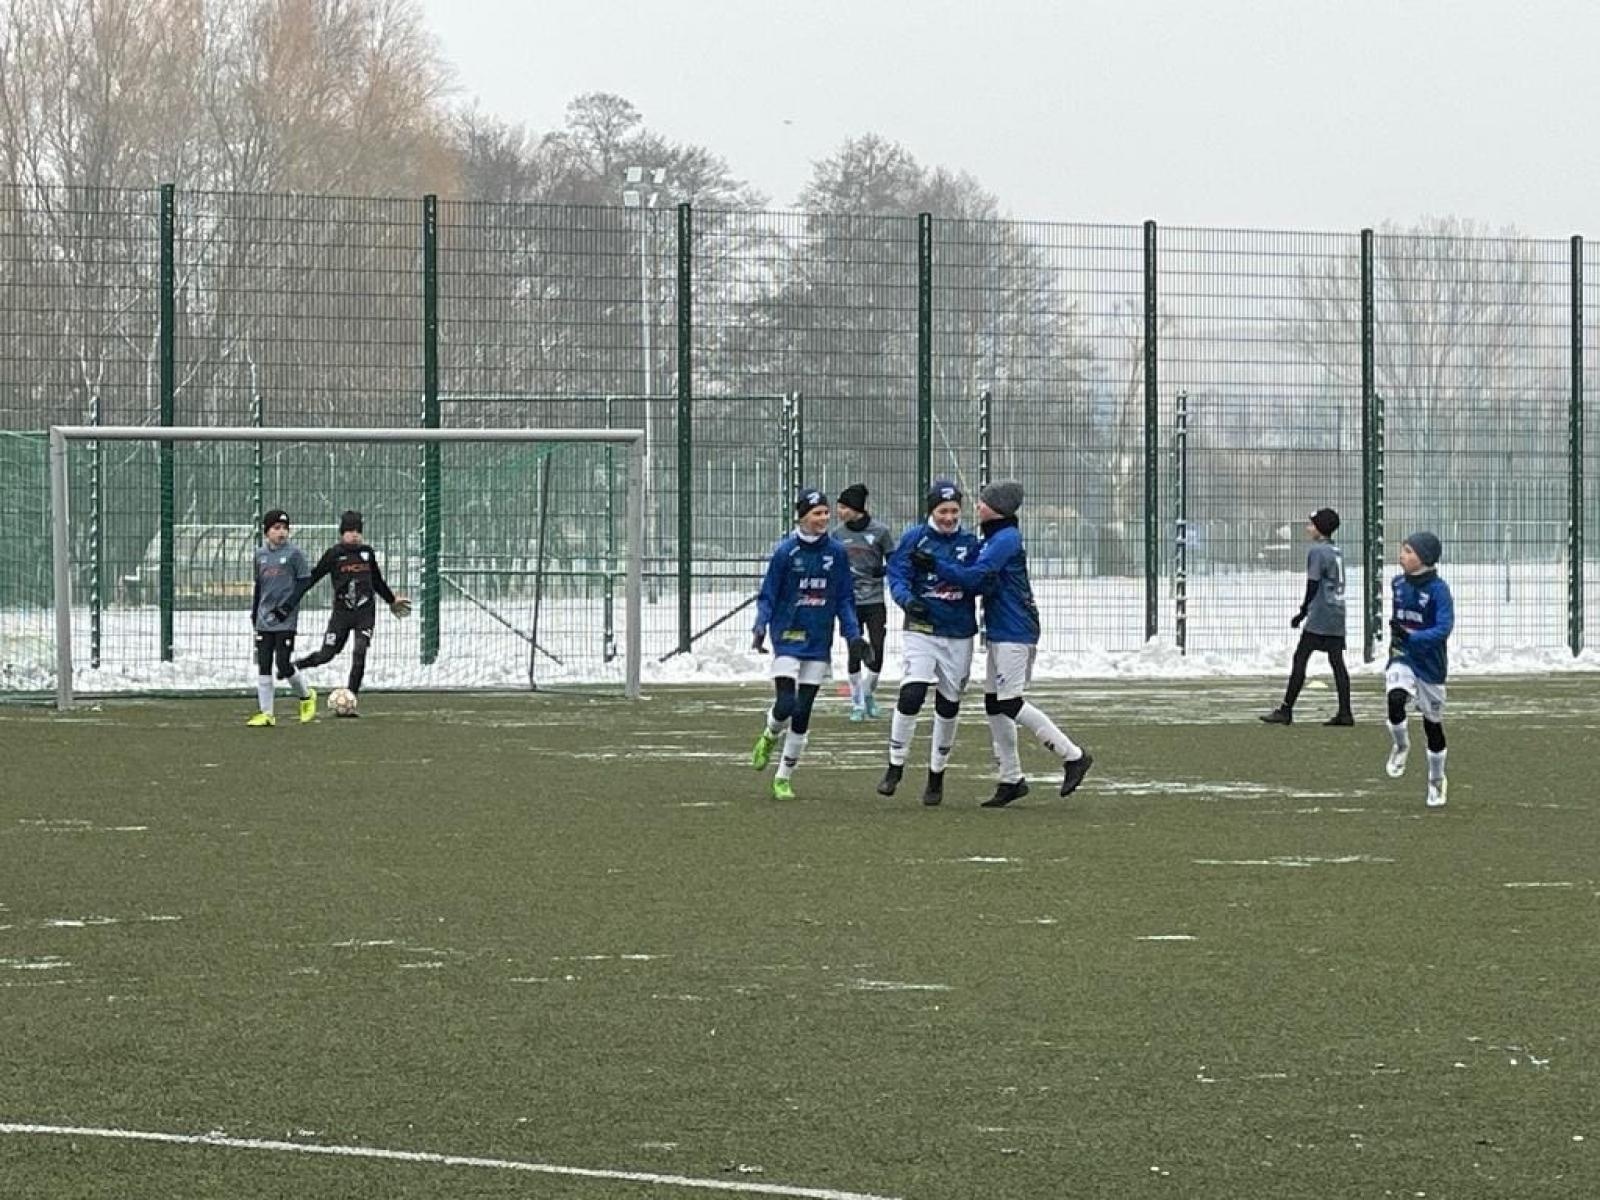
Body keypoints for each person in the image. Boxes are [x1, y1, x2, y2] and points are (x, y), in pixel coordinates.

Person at [915, 480, 1091, 807]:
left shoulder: (1005, 539)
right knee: (994, 704)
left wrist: (936, 566)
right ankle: (1011, 778)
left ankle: (1073, 756)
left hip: (1015, 630)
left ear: (997, 508)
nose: (976, 507)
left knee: (1010, 702)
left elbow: (977, 577)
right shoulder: (995, 537)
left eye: (982, 502)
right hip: (1000, 629)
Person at [750, 487, 868, 800]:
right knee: (787, 703)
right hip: (787, 636)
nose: (823, 518)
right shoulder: (785, 552)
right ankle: (770, 733)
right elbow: (769, 594)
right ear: (802, 517)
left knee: (803, 711)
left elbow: (844, 598)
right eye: (817, 513)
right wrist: (760, 626)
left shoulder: (837, 553)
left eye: (826, 512)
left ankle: (783, 777)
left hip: (818, 640)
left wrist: (853, 635)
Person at [877, 479, 981, 807]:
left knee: (948, 704)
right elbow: (897, 575)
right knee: (912, 692)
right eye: (942, 511)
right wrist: (908, 601)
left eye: (954, 510)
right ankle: (895, 765)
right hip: (921, 628)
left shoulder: (970, 543)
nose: (949, 517)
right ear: (931, 511)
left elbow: (977, 580)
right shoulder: (914, 538)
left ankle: (937, 774)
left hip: (958, 631)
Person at [293, 510, 411, 715]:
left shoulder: (367, 553)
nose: (354, 535)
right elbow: (314, 577)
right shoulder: (334, 554)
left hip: (365, 614)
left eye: (358, 531)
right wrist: (292, 596)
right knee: (326, 655)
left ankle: (351, 697)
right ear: (342, 533)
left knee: (360, 652)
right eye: (349, 531)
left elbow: (377, 581)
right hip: (341, 615)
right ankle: (294, 666)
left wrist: (391, 600)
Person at [1260, 507, 1353, 726]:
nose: (1308, 527)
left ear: (1320, 529)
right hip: (1337, 612)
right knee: (1337, 662)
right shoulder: (1336, 551)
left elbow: (1313, 583)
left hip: (1321, 614)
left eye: (1311, 524)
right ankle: (1345, 712)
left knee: (1300, 657)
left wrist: (1302, 611)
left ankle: (1286, 710)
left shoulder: (1317, 552)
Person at [1385, 532, 1454, 808]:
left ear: (1424, 559)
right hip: (1403, 657)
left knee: (1432, 725)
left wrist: (1413, 637)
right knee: (1395, 698)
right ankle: (1401, 746)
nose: (1402, 555)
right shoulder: (1397, 583)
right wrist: (1399, 639)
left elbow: (1443, 629)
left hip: (1431, 665)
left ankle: (1436, 778)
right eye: (1402, 549)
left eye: (1409, 551)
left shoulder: (1439, 590)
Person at [247, 509, 315, 727]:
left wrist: (287, 607)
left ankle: (306, 697)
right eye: (276, 528)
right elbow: (259, 585)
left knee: (283, 664)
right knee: (264, 664)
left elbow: (304, 582)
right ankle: (266, 713)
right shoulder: (260, 555)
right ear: (267, 531)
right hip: (264, 619)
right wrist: (254, 611)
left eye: (285, 528)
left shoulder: (295, 555)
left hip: (285, 620)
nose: (281, 532)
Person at [833, 483, 891, 721]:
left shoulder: (880, 532)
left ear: (856, 509)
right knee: (854, 649)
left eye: (843, 507)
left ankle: (868, 693)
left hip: (875, 600)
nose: (839, 512)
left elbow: (895, 562)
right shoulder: (837, 535)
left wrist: (883, 571)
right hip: (850, 602)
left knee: (877, 649)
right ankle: (857, 703)